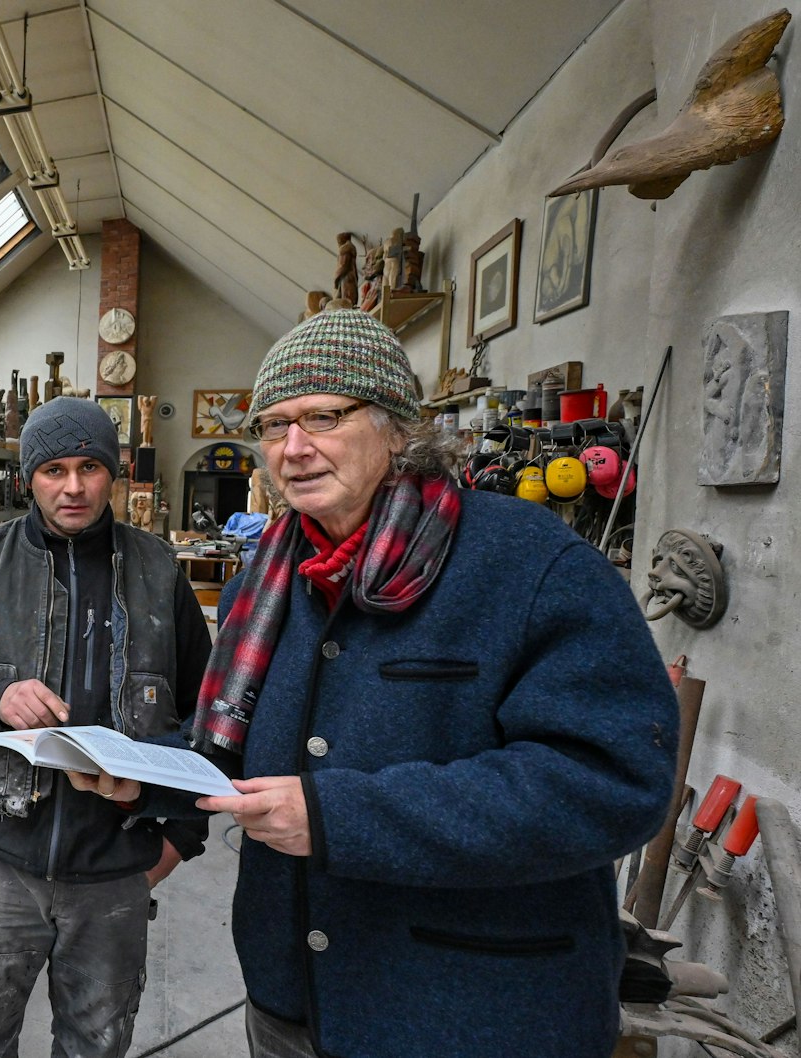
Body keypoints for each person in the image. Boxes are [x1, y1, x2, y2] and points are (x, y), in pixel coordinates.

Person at [80, 310, 677, 1058]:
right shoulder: (263, 585)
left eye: (324, 417)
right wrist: (141, 776)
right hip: (290, 1001)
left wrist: (342, 817)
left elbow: (611, 782)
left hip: (467, 1017)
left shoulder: (529, 567)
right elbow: (229, 750)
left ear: (398, 427)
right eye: (273, 426)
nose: (292, 449)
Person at [0, 397, 214, 1058]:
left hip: (113, 868)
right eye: (53, 470)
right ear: (29, 479)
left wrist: (178, 840)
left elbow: (209, 718)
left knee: (94, 1045)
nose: (72, 487)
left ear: (116, 473)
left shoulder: (160, 573)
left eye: (89, 468)